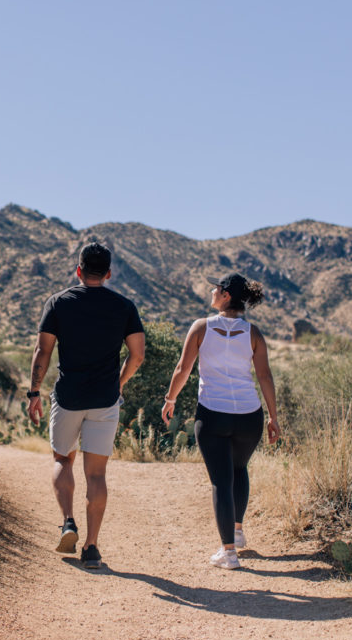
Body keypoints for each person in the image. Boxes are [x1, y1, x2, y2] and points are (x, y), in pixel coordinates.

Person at [27, 242, 146, 569]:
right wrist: (118, 383)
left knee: (62, 458)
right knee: (96, 474)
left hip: (68, 398)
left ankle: (68, 522)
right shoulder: (124, 306)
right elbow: (137, 355)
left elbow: (43, 352)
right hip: (105, 400)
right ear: (108, 273)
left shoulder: (59, 303)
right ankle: (92, 547)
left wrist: (34, 392)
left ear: (79, 270)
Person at [161, 273, 282, 570]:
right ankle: (237, 533)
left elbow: (183, 367)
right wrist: (274, 417)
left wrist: (170, 399)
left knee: (220, 481)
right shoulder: (253, 333)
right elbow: (264, 377)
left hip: (213, 414)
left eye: (216, 288)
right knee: (238, 470)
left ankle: (228, 554)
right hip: (249, 416)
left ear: (226, 295)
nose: (212, 291)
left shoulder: (202, 327)